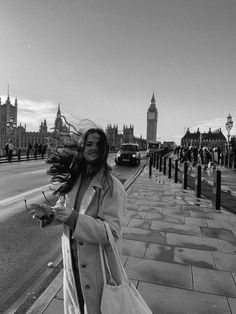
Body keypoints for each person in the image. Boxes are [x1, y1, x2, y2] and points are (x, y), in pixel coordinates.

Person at [45, 127, 127, 314]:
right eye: (89, 144)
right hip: (72, 263)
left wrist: (75, 219)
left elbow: (112, 232)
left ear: (105, 149)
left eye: (98, 144)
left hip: (96, 268)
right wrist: (49, 215)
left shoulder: (112, 187)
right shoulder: (73, 179)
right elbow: (62, 208)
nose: (93, 148)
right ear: (81, 147)